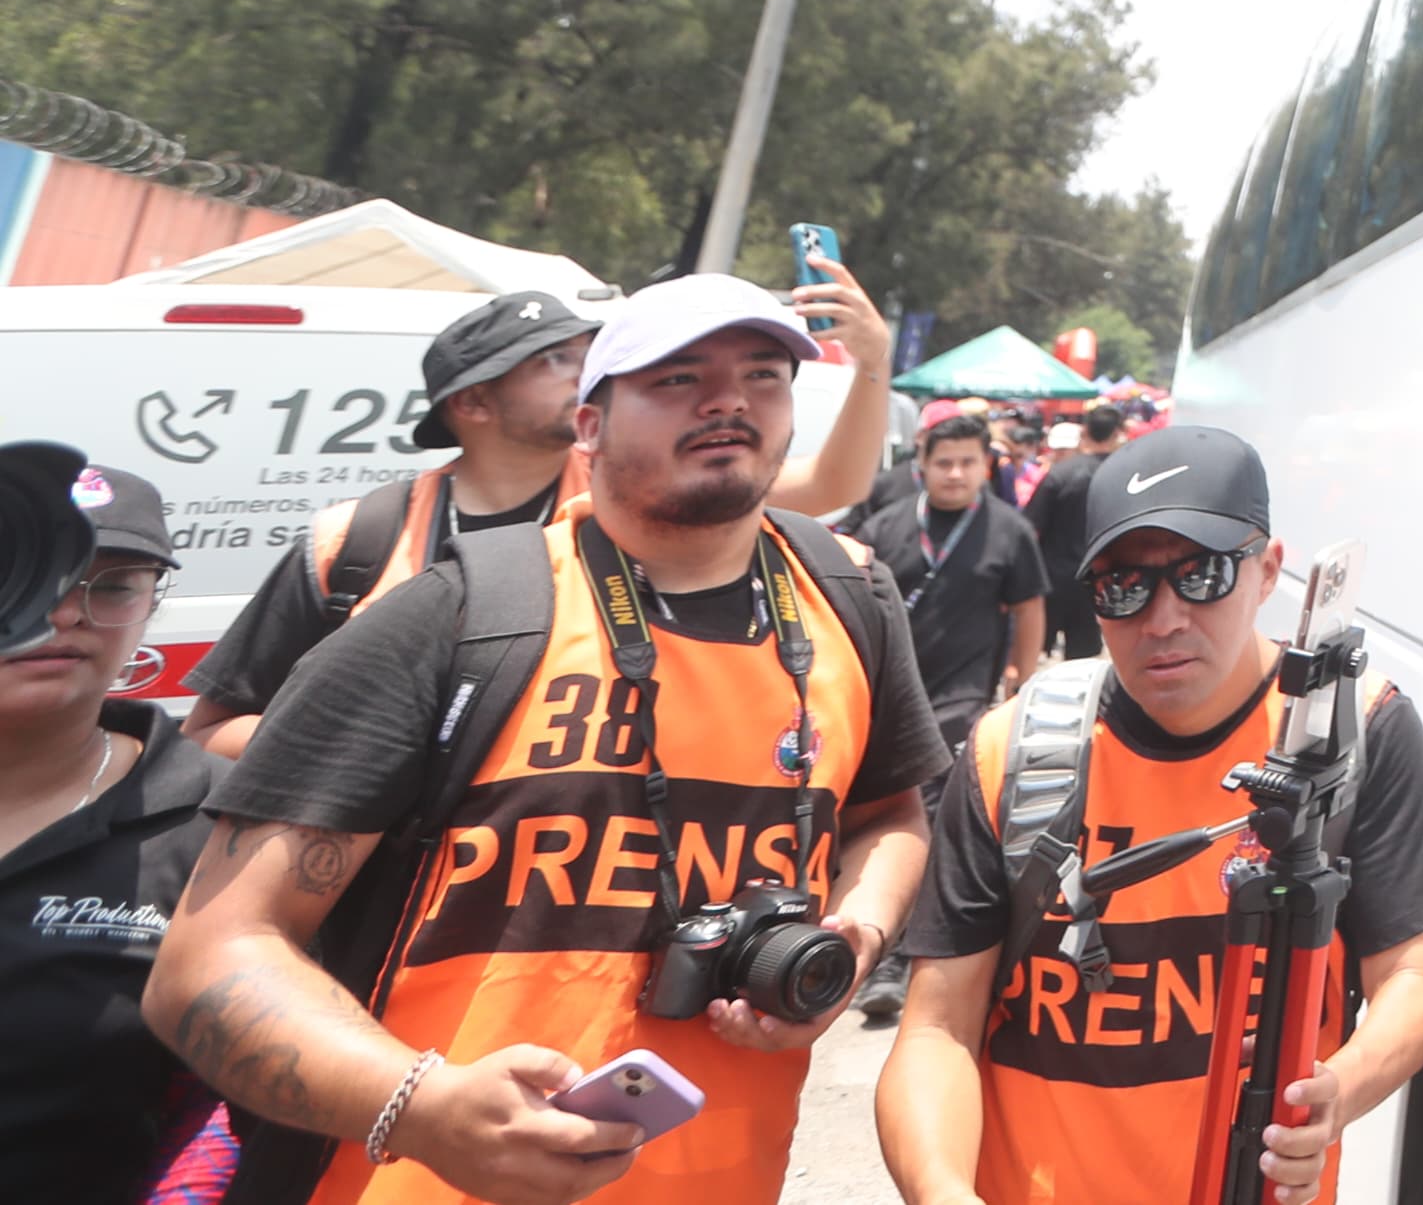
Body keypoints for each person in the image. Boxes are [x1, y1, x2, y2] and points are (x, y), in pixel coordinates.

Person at [146, 274, 953, 1205]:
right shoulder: (453, 618)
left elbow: (890, 816)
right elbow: (208, 961)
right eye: (677, 376)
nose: (729, 398)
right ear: (590, 428)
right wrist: (423, 1106)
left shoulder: (850, 599)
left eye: (764, 374)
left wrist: (856, 933)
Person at [876, 426, 1423, 1205]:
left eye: (1202, 573)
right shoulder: (1010, 750)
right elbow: (937, 1026)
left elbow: (1411, 979)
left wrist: (1337, 1091)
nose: (1163, 617)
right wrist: (943, 1189)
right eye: (1124, 585)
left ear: (1269, 569)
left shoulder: (1355, 735)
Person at [187, 261, 897, 762]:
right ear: (472, 402)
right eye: (552, 358)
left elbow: (833, 482)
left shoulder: (638, 499)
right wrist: (389, 747)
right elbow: (208, 733)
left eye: (585, 350)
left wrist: (872, 363)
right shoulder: (356, 541)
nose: (585, 364)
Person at [2, 466, 229, 1205]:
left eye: (116, 583)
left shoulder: (215, 825)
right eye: (27, 571)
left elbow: (229, 1110)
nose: (67, 611)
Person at [840, 416, 1045, 1027]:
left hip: (963, 700)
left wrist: (1021, 678)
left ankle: (899, 961)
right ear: (921, 465)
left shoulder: (1009, 532)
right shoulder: (888, 526)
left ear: (987, 466)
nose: (955, 474)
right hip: (888, 696)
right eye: (943, 462)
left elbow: (1029, 606)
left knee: (926, 812)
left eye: (967, 463)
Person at [1020, 403, 1127, 662]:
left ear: (1085, 432)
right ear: (1118, 434)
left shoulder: (1060, 473)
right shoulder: (1127, 476)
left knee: (1033, 653)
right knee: (1084, 663)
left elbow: (1029, 527)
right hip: (1099, 580)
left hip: (1051, 578)